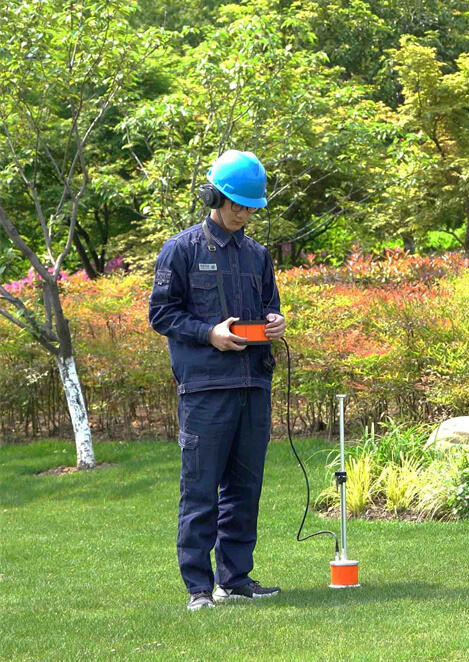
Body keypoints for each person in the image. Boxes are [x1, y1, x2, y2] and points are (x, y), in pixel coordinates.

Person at [148, 150, 286, 611]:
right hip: (205, 391)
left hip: (253, 387)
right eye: (236, 206)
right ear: (214, 196)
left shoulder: (258, 255)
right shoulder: (181, 249)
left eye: (250, 208)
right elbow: (161, 314)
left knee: (245, 491)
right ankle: (199, 589)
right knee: (201, 490)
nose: (243, 214)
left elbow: (270, 305)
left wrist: (274, 323)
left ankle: (237, 578)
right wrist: (210, 333)